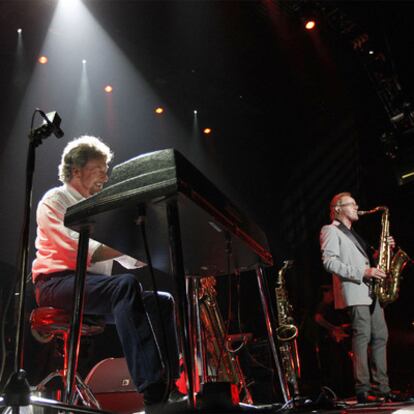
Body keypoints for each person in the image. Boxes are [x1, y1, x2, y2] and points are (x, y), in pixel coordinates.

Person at [32, 136, 182, 411]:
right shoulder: (55, 200)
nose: (106, 174)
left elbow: (127, 258)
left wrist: (152, 241)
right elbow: (82, 249)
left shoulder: (100, 205)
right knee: (124, 286)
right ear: (76, 170)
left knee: (161, 302)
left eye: (106, 167)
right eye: (98, 167)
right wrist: (129, 238)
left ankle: (171, 385)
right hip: (56, 284)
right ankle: (153, 391)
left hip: (93, 288)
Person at [319, 192, 399, 403]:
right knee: (362, 336)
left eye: (356, 203)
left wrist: (384, 251)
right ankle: (363, 389)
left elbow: (368, 260)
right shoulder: (330, 230)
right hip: (355, 290)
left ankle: (383, 388)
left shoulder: (354, 234)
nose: (356, 207)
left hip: (371, 292)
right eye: (351, 204)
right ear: (337, 208)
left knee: (381, 336)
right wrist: (363, 272)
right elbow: (329, 263)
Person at [314, 284, 353, 397]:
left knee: (340, 367)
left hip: (333, 341)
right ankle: (339, 392)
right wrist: (334, 328)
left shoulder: (332, 307)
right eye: (330, 292)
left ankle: (342, 391)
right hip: (328, 342)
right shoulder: (323, 305)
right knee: (336, 368)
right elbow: (318, 318)